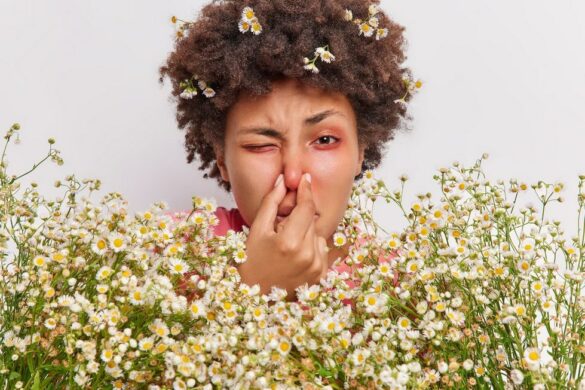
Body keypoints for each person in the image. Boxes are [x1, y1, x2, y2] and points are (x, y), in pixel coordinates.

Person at [159, 0, 414, 302]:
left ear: (361, 151)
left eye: (325, 140)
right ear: (221, 158)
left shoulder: (402, 288)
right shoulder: (166, 249)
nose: (293, 176)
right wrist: (256, 287)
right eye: (261, 145)